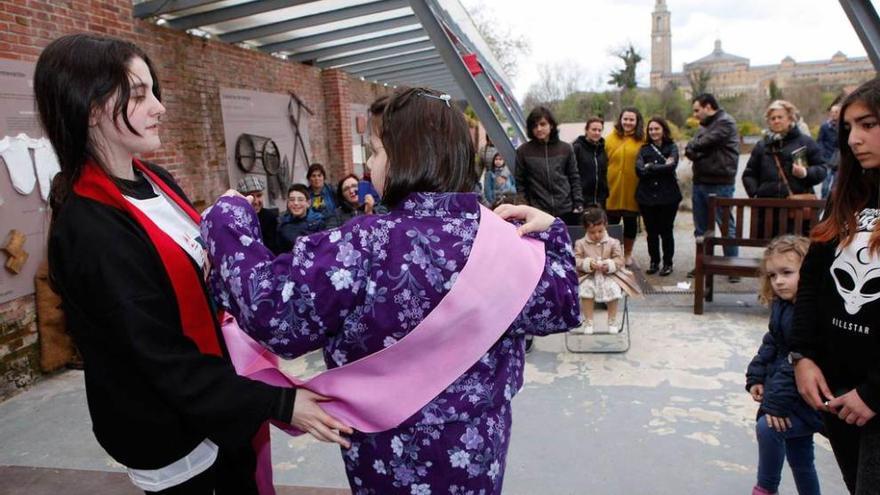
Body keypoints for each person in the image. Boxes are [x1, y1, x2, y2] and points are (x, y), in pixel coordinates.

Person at [201, 87, 580, 494]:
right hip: (478, 449)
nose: (369, 166)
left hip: (385, 451)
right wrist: (553, 231)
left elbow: (273, 314)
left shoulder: (360, 245)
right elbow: (561, 304)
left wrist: (229, 219)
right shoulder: (504, 242)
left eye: (377, 152)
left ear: (405, 156)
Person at [35, 33, 349, 494]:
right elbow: (160, 358)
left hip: (219, 406)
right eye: (139, 95)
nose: (159, 106)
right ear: (93, 108)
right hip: (173, 432)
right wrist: (281, 403)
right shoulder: (90, 228)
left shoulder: (153, 179)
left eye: (153, 91)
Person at [790, 77, 880, 494]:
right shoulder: (849, 190)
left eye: (868, 124)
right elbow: (812, 279)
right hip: (837, 391)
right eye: (848, 128)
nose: (855, 139)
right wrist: (803, 356)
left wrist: (875, 393)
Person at [746, 235, 823, 495]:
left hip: (806, 399)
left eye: (787, 272)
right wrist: (756, 376)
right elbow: (772, 343)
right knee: (801, 458)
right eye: (772, 275)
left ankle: (766, 488)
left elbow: (796, 362)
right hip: (787, 396)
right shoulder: (782, 306)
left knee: (768, 429)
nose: (778, 281)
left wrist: (775, 405)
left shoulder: (811, 312)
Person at [685, 93, 741, 280]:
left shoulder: (725, 123)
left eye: (697, 110)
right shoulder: (705, 126)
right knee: (701, 229)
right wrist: (696, 148)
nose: (695, 115)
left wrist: (696, 147)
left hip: (720, 183)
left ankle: (732, 268)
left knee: (726, 227)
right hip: (700, 182)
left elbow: (701, 144)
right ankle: (703, 264)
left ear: (708, 107)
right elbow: (692, 148)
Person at [573, 207, 639, 335]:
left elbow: (620, 260)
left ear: (605, 226)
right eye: (592, 232)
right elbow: (575, 260)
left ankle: (612, 320)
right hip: (588, 276)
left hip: (610, 275)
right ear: (586, 229)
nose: (596, 235)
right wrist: (587, 264)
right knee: (586, 290)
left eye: (600, 231)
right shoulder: (580, 243)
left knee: (614, 288)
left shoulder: (613, 242)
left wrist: (610, 265)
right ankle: (588, 321)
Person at [742, 100, 826, 200]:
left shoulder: (805, 142)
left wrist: (805, 172)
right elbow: (749, 174)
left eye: (780, 117)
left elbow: (822, 170)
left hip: (796, 207)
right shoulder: (762, 146)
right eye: (772, 118)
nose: (776, 121)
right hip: (767, 208)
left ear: (790, 119)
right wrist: (755, 194)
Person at [515, 105, 584, 224]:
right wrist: (524, 205)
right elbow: (520, 182)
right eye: (535, 126)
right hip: (538, 211)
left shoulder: (566, 148)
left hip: (566, 209)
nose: (539, 129)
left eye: (542, 124)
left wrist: (578, 202)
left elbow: (574, 177)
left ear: (551, 125)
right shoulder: (523, 151)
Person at [635, 117, 682, 276]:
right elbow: (639, 171)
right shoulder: (643, 149)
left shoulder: (672, 147)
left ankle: (668, 263)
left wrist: (651, 166)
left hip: (668, 197)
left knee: (666, 231)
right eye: (651, 129)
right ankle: (654, 261)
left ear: (663, 130)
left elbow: (671, 167)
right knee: (652, 232)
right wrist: (660, 167)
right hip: (646, 197)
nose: (653, 132)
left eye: (657, 128)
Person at [605, 107, 645, 264]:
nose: (628, 122)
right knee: (611, 223)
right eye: (625, 119)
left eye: (631, 120)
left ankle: (627, 253)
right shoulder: (610, 138)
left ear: (637, 121)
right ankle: (612, 253)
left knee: (630, 224)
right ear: (620, 120)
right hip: (612, 188)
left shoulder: (642, 139)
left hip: (632, 188)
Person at [236, 174, 281, 254]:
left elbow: (273, 249)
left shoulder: (270, 218)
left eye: (259, 195)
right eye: (251, 196)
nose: (256, 201)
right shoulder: (236, 219)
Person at [572, 117, 609, 208]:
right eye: (594, 129)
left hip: (600, 201)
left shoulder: (603, 149)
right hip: (582, 201)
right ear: (586, 130)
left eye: (599, 130)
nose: (597, 133)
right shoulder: (576, 148)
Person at [277, 183, 325, 252]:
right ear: (288, 203)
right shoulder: (283, 224)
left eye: (300, 199)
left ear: (308, 203)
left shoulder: (318, 222)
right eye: (292, 199)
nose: (296, 203)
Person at [817, 103, 841, 198]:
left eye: (836, 112)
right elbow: (819, 141)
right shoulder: (825, 127)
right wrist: (822, 152)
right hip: (826, 158)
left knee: (836, 185)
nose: (834, 114)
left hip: (838, 159)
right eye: (832, 112)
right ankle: (823, 204)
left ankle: (832, 204)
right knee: (825, 186)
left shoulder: (843, 127)